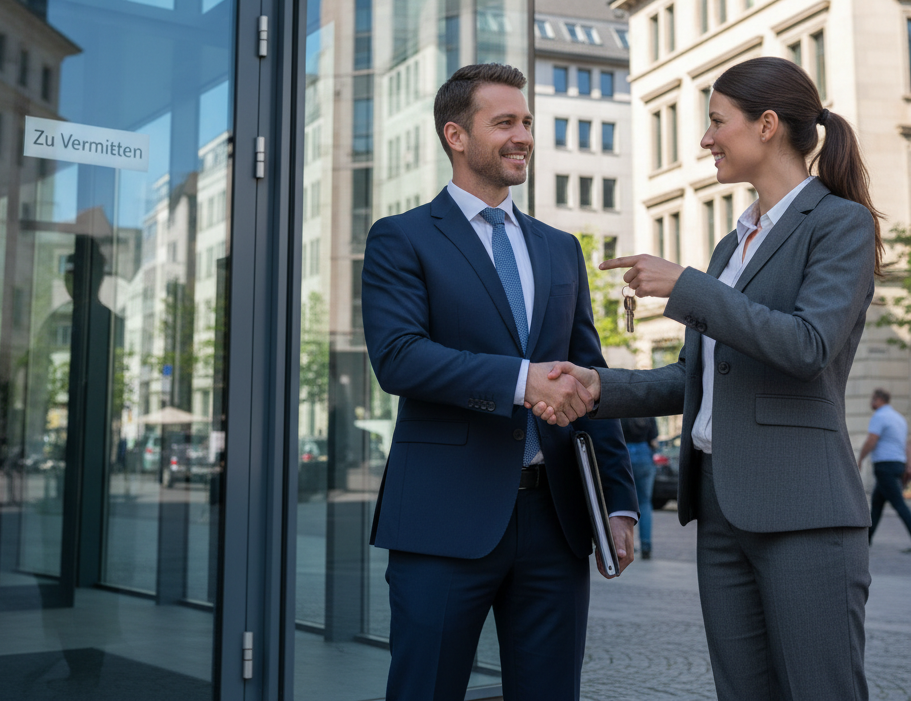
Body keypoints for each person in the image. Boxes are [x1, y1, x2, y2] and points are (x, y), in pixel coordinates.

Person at [539, 57, 882, 701]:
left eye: (716, 122)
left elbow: (807, 346)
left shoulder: (841, 224)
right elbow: (695, 378)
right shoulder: (734, 244)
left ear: (768, 125)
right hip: (721, 509)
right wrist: (594, 386)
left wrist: (687, 287)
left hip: (804, 512)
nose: (704, 139)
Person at [361, 63, 637, 701]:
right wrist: (522, 380)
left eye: (528, 122)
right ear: (456, 136)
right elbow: (399, 358)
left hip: (557, 518)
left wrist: (616, 502)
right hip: (442, 518)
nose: (524, 137)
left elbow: (590, 378)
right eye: (505, 122)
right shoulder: (401, 238)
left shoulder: (560, 247)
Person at [858, 388, 911, 549]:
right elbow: (906, 445)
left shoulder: (880, 416)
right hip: (898, 464)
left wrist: (860, 458)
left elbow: (872, 439)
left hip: (885, 466)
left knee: (899, 504)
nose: (871, 403)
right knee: (877, 504)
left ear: (880, 400)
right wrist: (908, 465)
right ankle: (866, 541)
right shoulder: (899, 418)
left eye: (873, 399)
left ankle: (866, 541)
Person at [621, 417, 659, 558]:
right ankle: (646, 545)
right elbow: (654, 442)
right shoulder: (649, 414)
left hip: (625, 454)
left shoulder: (622, 412)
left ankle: (625, 545)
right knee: (645, 502)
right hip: (644, 455)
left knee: (624, 503)